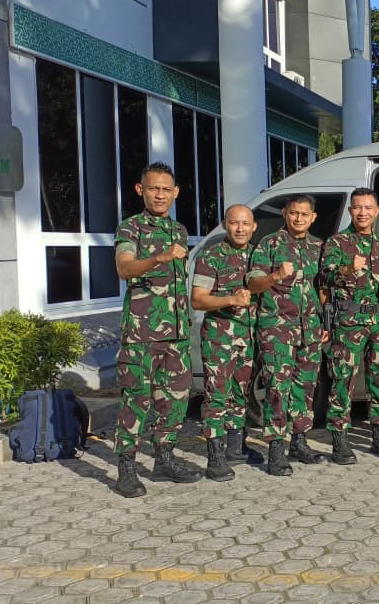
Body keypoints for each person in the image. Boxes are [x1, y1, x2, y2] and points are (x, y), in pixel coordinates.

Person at [111, 162, 201, 498]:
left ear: (175, 193)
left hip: (175, 334)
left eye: (166, 189)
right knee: (135, 400)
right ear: (141, 190)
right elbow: (124, 268)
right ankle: (127, 469)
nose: (160, 194)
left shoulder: (178, 229)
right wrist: (158, 259)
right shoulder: (130, 228)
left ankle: (164, 460)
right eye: (154, 188)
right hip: (142, 334)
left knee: (175, 399)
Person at [248, 194, 327, 475]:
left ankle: (299, 442)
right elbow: (254, 283)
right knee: (276, 389)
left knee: (304, 388)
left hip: (310, 330)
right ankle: (276, 450)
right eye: (294, 213)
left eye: (304, 214)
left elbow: (323, 288)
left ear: (313, 217)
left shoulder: (319, 247)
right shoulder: (269, 244)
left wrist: (324, 323)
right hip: (277, 329)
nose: (298, 218)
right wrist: (275, 277)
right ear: (285, 213)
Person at [319, 188, 379, 461]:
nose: (362, 212)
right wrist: (347, 269)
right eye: (357, 207)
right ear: (350, 211)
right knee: (343, 380)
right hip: (349, 322)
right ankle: (340, 440)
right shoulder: (338, 242)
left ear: (377, 212)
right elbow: (324, 278)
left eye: (368, 208)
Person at [191, 204, 264, 482]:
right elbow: (198, 299)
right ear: (225, 224)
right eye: (234, 223)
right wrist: (230, 300)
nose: (240, 228)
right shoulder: (212, 257)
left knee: (239, 393)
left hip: (247, 336)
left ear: (254, 226)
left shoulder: (258, 255)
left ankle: (235, 446)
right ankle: (215, 455)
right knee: (216, 396)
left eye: (246, 223)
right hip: (220, 337)